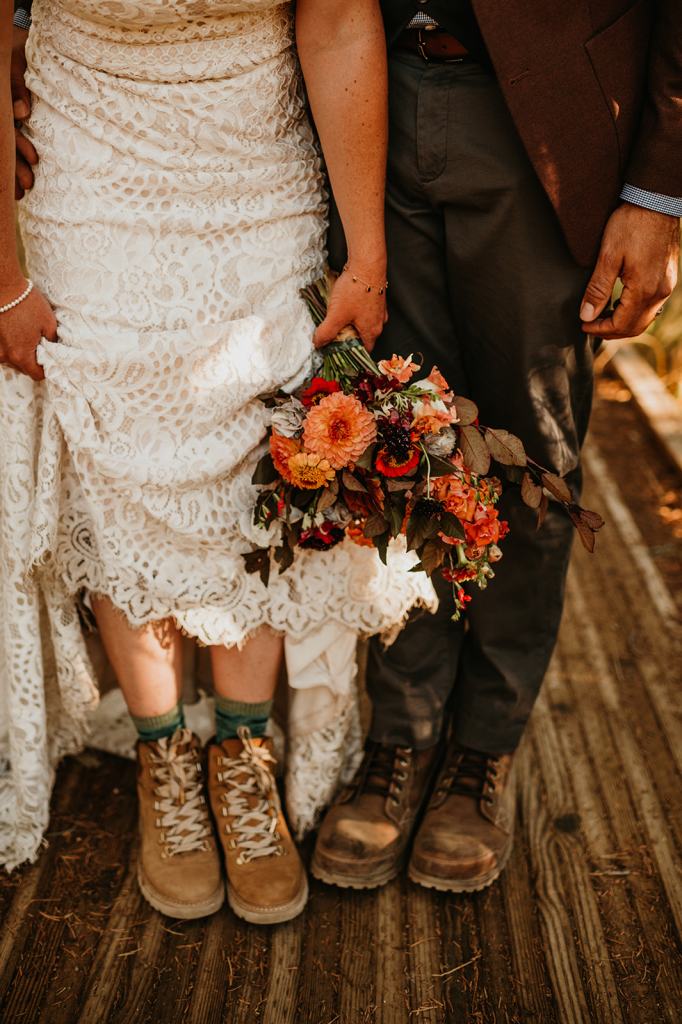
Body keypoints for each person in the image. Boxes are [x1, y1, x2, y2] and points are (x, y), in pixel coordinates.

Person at [0, 0, 435, 923]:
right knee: (120, 442)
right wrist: (4, 277)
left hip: (257, 153)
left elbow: (339, 20)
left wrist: (366, 256)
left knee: (259, 436)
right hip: (86, 145)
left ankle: (243, 756)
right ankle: (168, 758)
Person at [312, 0, 681, 893]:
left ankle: (484, 748)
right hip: (361, 88)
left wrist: (660, 189)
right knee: (398, 443)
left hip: (551, 116)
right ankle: (401, 731)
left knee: (529, 455)